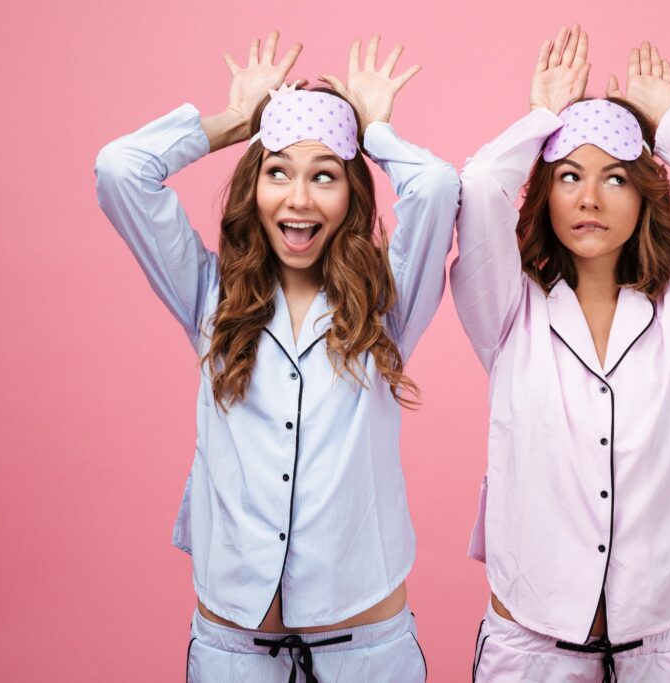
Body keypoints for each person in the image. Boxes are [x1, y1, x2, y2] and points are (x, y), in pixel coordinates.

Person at [95, 30, 459, 682]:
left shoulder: (385, 308)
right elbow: (121, 169)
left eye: (324, 175)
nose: (298, 197)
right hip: (234, 655)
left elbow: (435, 188)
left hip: (367, 654)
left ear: (350, 194)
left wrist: (374, 132)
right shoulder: (209, 296)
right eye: (278, 171)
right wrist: (235, 122)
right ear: (253, 187)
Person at [450, 25, 670, 682]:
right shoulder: (507, 310)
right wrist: (541, 117)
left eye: (615, 178)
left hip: (664, 648)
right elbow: (478, 184)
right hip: (530, 649)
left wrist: (665, 125)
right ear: (545, 191)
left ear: (644, 196)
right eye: (570, 177)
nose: (589, 198)